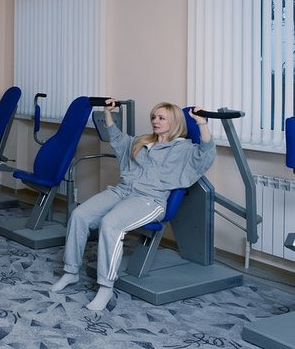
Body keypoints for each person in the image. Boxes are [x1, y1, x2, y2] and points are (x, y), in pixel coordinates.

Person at [49, 99, 216, 311]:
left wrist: (202, 123)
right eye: (154, 117)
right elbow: (117, 139)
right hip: (122, 191)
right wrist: (107, 112)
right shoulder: (142, 141)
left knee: (110, 224)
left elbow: (206, 154)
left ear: (174, 122)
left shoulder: (183, 149)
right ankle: (71, 271)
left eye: (161, 118)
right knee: (79, 215)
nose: (155, 121)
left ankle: (106, 287)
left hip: (150, 199)